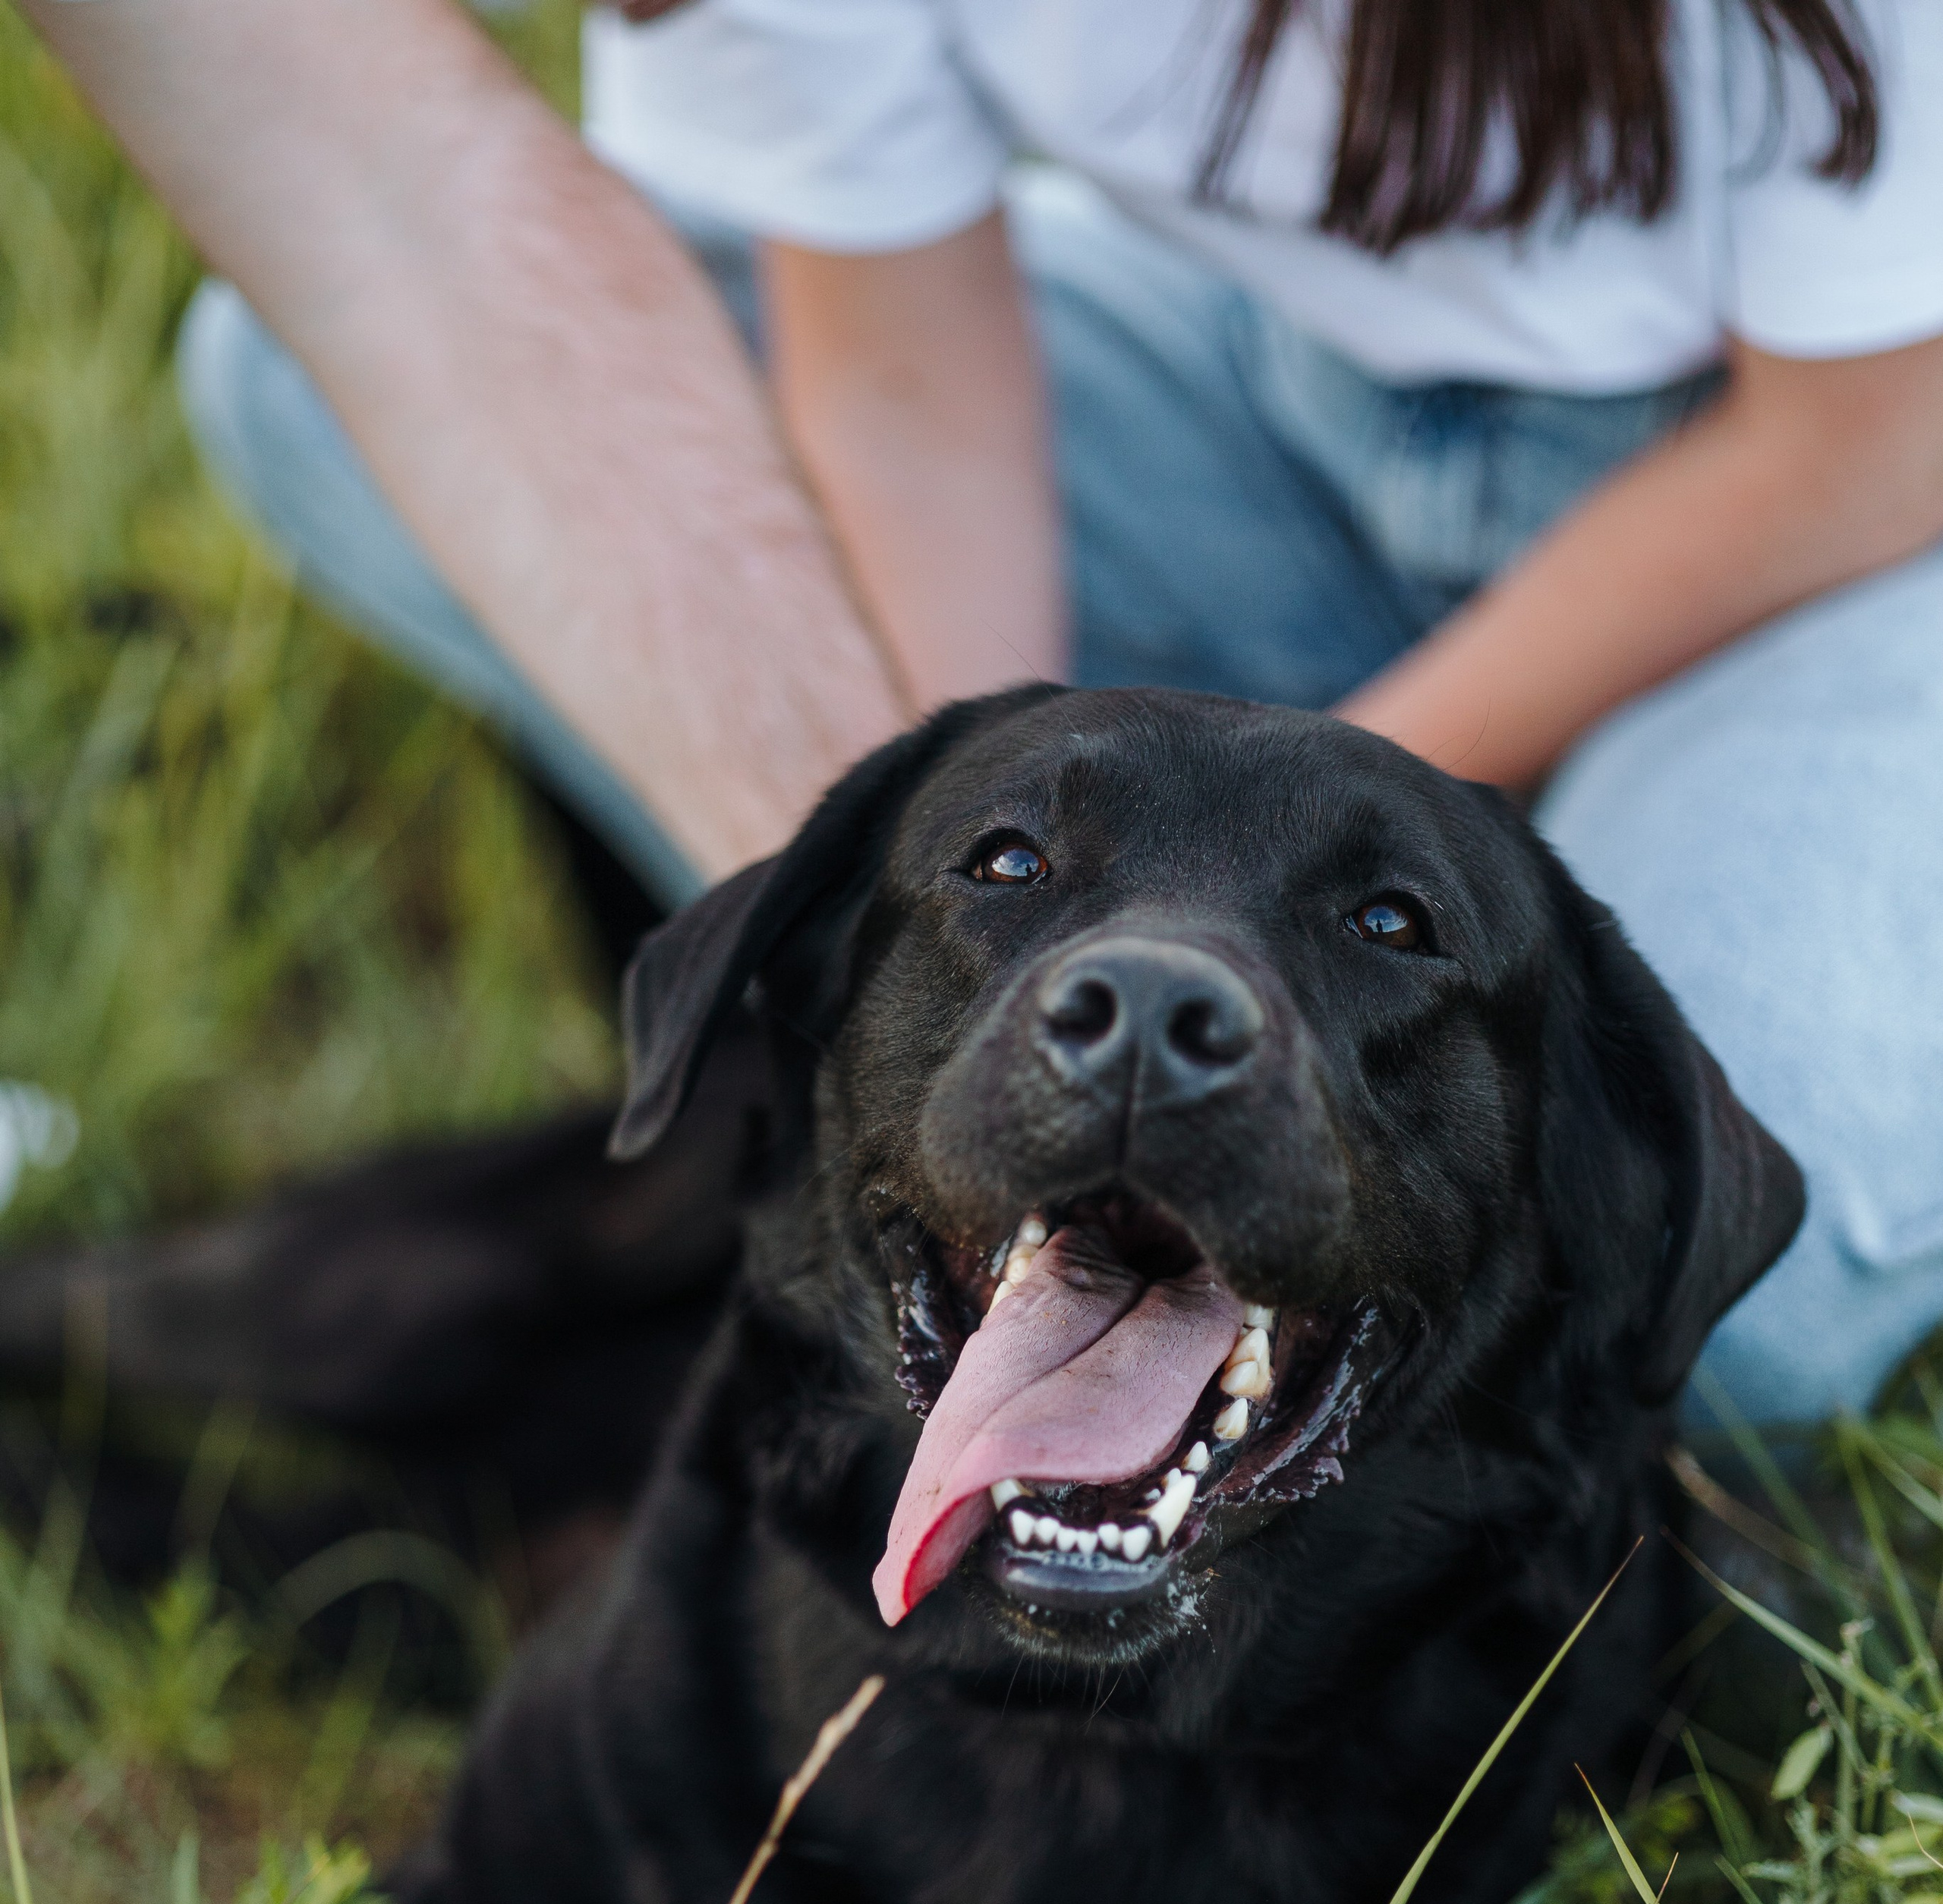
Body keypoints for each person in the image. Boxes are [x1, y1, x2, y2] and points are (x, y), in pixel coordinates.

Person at [24, 0, 1943, 1430]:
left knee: (1673, 1269)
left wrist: (1275, 854)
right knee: (310, 383)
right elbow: (901, 371)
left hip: (1856, 517)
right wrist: (1000, 926)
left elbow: (1865, 440)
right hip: (1304, 388)